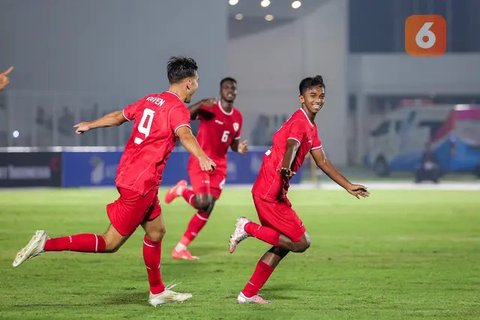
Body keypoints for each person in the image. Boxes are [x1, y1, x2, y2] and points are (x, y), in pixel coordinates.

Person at [12, 56, 216, 307]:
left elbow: (119, 116)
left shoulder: (151, 99)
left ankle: (157, 291)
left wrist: (91, 124)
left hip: (134, 176)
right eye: (196, 80)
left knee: (156, 231)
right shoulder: (177, 109)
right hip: (140, 183)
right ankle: (45, 243)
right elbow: (184, 133)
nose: (197, 84)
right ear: (188, 82)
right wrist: (202, 155)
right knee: (110, 243)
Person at [228, 75, 370, 304]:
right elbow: (292, 145)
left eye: (322, 95)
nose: (318, 100)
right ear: (301, 98)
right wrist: (285, 166)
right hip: (268, 192)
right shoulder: (300, 121)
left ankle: (248, 294)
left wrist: (347, 186)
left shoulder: (311, 126)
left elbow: (322, 162)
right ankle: (246, 226)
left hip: (274, 192)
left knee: (283, 244)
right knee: (301, 242)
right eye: (313, 95)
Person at [164, 77, 248, 260]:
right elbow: (184, 115)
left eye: (233, 88)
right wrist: (201, 103)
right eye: (226, 87)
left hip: (220, 166)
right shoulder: (210, 108)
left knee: (207, 208)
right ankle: (181, 190)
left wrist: (239, 148)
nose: (230, 90)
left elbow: (233, 144)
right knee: (203, 202)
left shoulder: (237, 117)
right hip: (200, 159)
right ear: (221, 91)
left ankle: (180, 248)